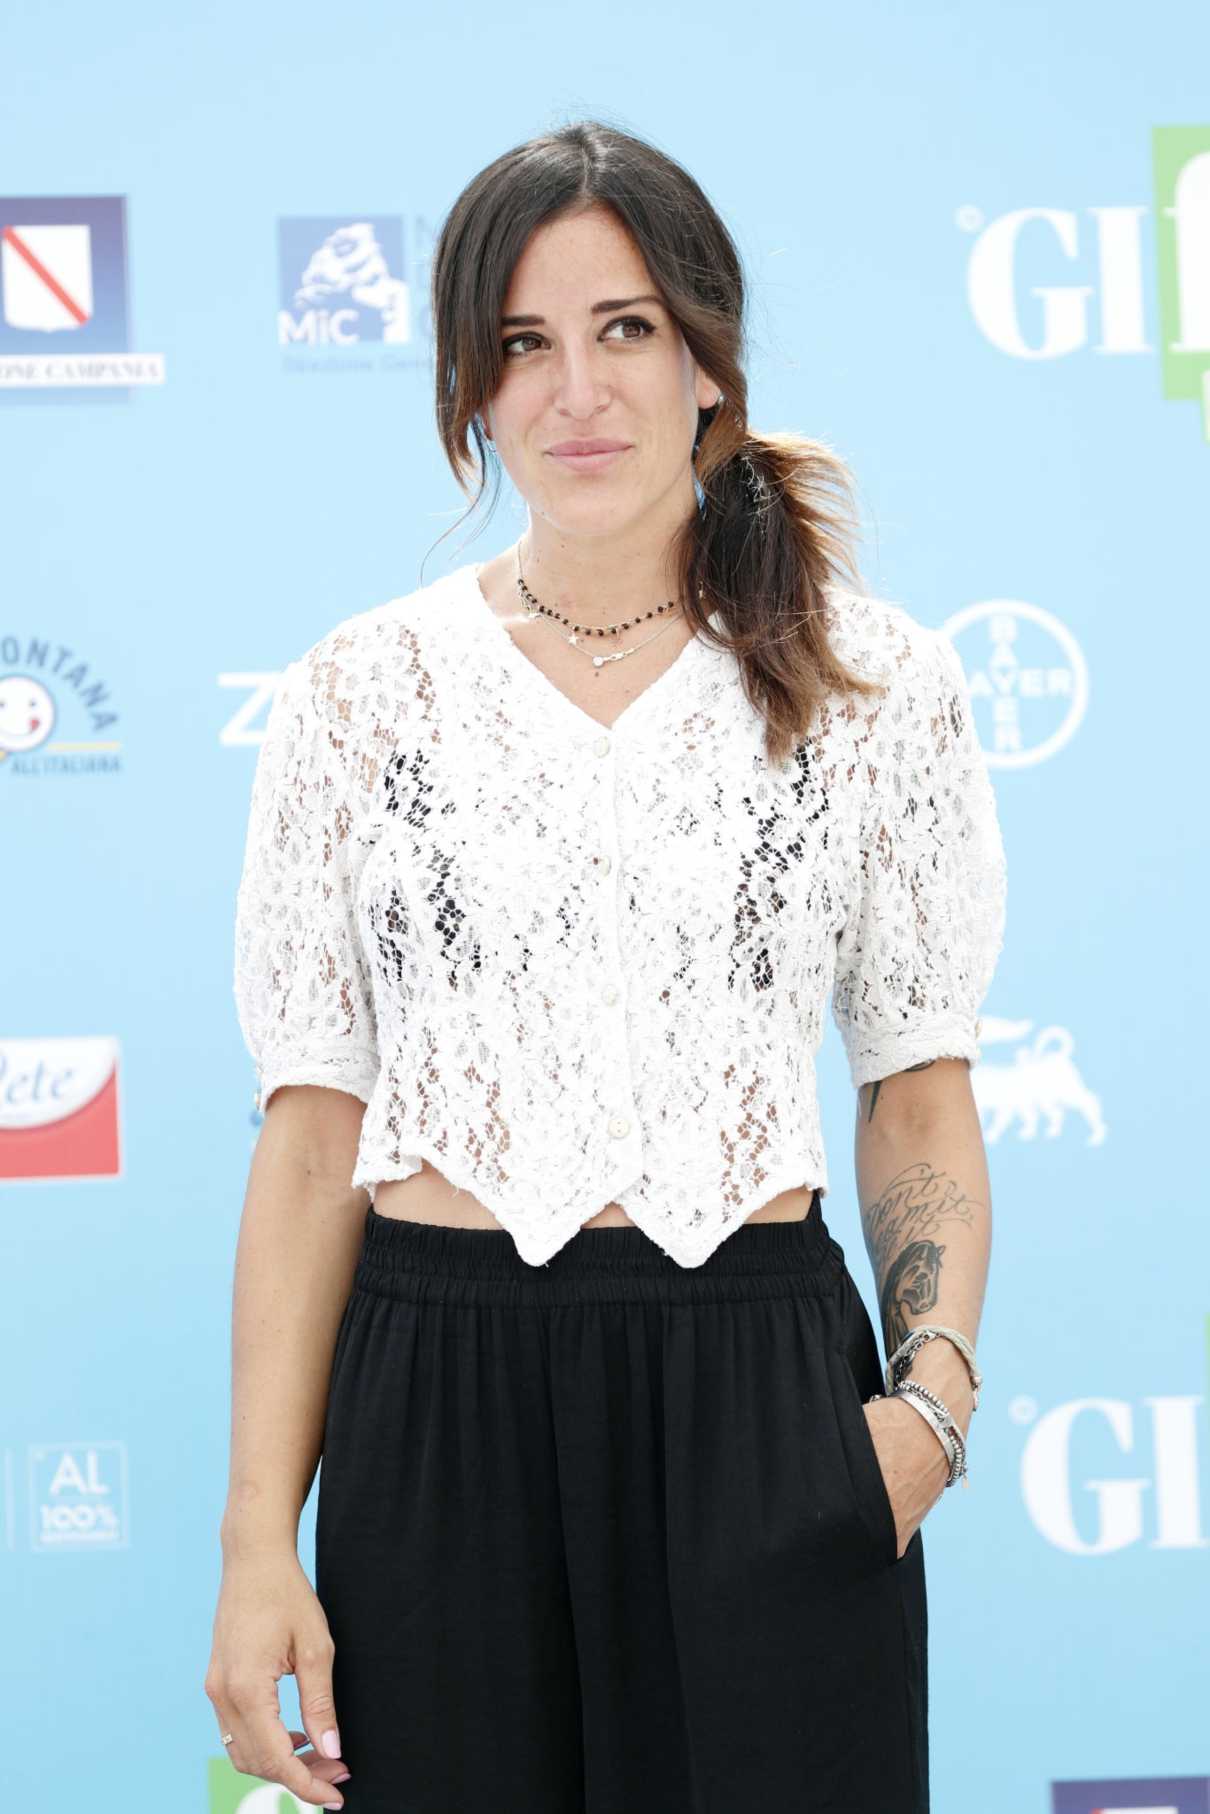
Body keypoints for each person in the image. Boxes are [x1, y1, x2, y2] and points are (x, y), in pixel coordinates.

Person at [205, 117, 1006, 1814]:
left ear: (706, 358)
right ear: (468, 390)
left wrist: (924, 1410)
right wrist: (255, 1542)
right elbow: (311, 1135)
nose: (575, 390)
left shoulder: (875, 683)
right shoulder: (358, 696)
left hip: (764, 1400)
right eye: (521, 343)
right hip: (436, 1409)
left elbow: (915, 1090)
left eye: (624, 327)